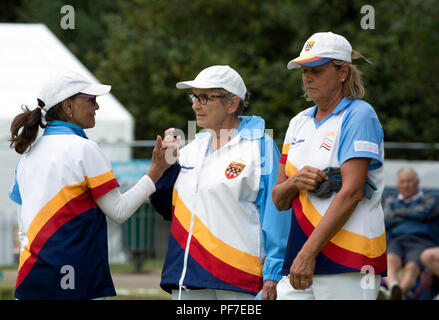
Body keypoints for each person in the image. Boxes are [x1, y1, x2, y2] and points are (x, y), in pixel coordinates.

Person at [8, 71, 173, 300]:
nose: (97, 107)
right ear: (68, 106)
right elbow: (119, 211)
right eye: (91, 100)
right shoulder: (84, 148)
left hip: (31, 278)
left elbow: (23, 228)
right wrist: (156, 171)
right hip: (79, 278)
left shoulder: (27, 155)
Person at [149, 65, 291, 300]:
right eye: (194, 96)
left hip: (238, 280)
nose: (196, 105)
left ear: (232, 103)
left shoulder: (261, 147)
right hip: (189, 280)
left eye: (205, 97)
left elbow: (277, 213)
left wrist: (273, 274)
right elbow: (166, 208)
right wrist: (163, 167)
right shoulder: (190, 148)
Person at [272, 32, 386, 300]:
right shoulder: (297, 122)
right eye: (304, 71)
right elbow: (278, 199)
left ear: (343, 72)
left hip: (349, 260)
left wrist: (306, 254)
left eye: (317, 70)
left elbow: (352, 192)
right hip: (301, 257)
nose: (307, 77)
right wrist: (294, 182)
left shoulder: (359, 114)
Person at [379, 166, 439, 299]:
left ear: (417, 182)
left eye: (409, 181)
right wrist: (413, 213)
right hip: (396, 239)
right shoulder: (390, 201)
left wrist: (399, 213)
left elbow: (424, 211)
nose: (406, 185)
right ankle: (394, 289)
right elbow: (387, 218)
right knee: (390, 260)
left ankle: (396, 294)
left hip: (421, 241)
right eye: (402, 182)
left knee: (412, 266)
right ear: (397, 184)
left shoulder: (431, 199)